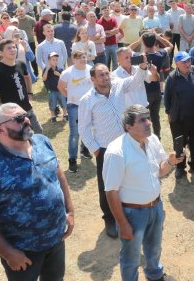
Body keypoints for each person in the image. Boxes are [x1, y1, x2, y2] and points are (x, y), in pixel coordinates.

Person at [0, 103, 74, 281]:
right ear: (0, 129)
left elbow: (58, 174)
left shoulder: (42, 142)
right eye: (18, 119)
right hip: (23, 251)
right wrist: (9, 253)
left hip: (56, 238)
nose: (26, 120)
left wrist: (70, 211)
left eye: (25, 115)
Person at [103, 105, 183, 281]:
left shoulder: (152, 139)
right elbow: (111, 192)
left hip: (155, 206)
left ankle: (154, 274)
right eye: (142, 120)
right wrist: (122, 223)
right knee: (131, 258)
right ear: (128, 126)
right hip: (132, 213)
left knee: (154, 248)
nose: (149, 122)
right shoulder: (116, 152)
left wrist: (170, 162)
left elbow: (159, 171)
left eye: (148, 118)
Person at [79, 59, 151, 238]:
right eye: (101, 75)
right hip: (105, 149)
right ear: (93, 79)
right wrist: (96, 150)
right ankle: (109, 218)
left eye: (107, 73)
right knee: (108, 186)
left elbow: (134, 81)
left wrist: (142, 67)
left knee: (129, 178)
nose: (105, 77)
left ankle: (128, 211)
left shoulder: (119, 85)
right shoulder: (87, 100)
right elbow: (84, 128)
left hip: (127, 143)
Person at [0, 39, 44, 133]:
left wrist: (30, 93)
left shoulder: (20, 64)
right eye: (9, 48)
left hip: (27, 108)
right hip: (12, 114)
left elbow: (27, 76)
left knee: (38, 132)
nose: (13, 50)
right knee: (22, 138)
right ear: (1, 52)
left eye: (14, 47)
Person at [163, 51, 194, 179]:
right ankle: (180, 167)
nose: (188, 64)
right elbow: (167, 98)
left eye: (188, 60)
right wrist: (169, 113)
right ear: (177, 64)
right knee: (179, 144)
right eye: (184, 62)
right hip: (179, 118)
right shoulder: (172, 78)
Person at [129, 31, 173, 139]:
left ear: (143, 42)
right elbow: (170, 46)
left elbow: (129, 48)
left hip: (144, 92)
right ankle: (157, 136)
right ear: (155, 42)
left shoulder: (139, 56)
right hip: (156, 89)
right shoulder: (160, 54)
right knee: (155, 116)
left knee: (144, 117)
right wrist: (159, 37)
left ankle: (146, 136)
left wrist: (139, 40)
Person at [58, 50, 95, 172]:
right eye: (79, 58)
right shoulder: (68, 72)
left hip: (90, 105)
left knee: (88, 128)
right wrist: (70, 96)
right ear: (73, 60)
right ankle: (72, 159)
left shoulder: (91, 69)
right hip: (74, 106)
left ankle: (84, 150)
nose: (83, 59)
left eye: (84, 57)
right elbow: (61, 87)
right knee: (75, 133)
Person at [43, 52, 68, 123]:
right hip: (51, 90)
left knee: (63, 101)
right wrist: (47, 70)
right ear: (49, 60)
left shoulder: (60, 69)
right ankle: (53, 116)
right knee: (52, 102)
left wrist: (59, 75)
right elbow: (44, 79)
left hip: (60, 89)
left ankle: (65, 114)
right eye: (53, 60)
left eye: (56, 60)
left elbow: (64, 80)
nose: (55, 61)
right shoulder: (46, 70)